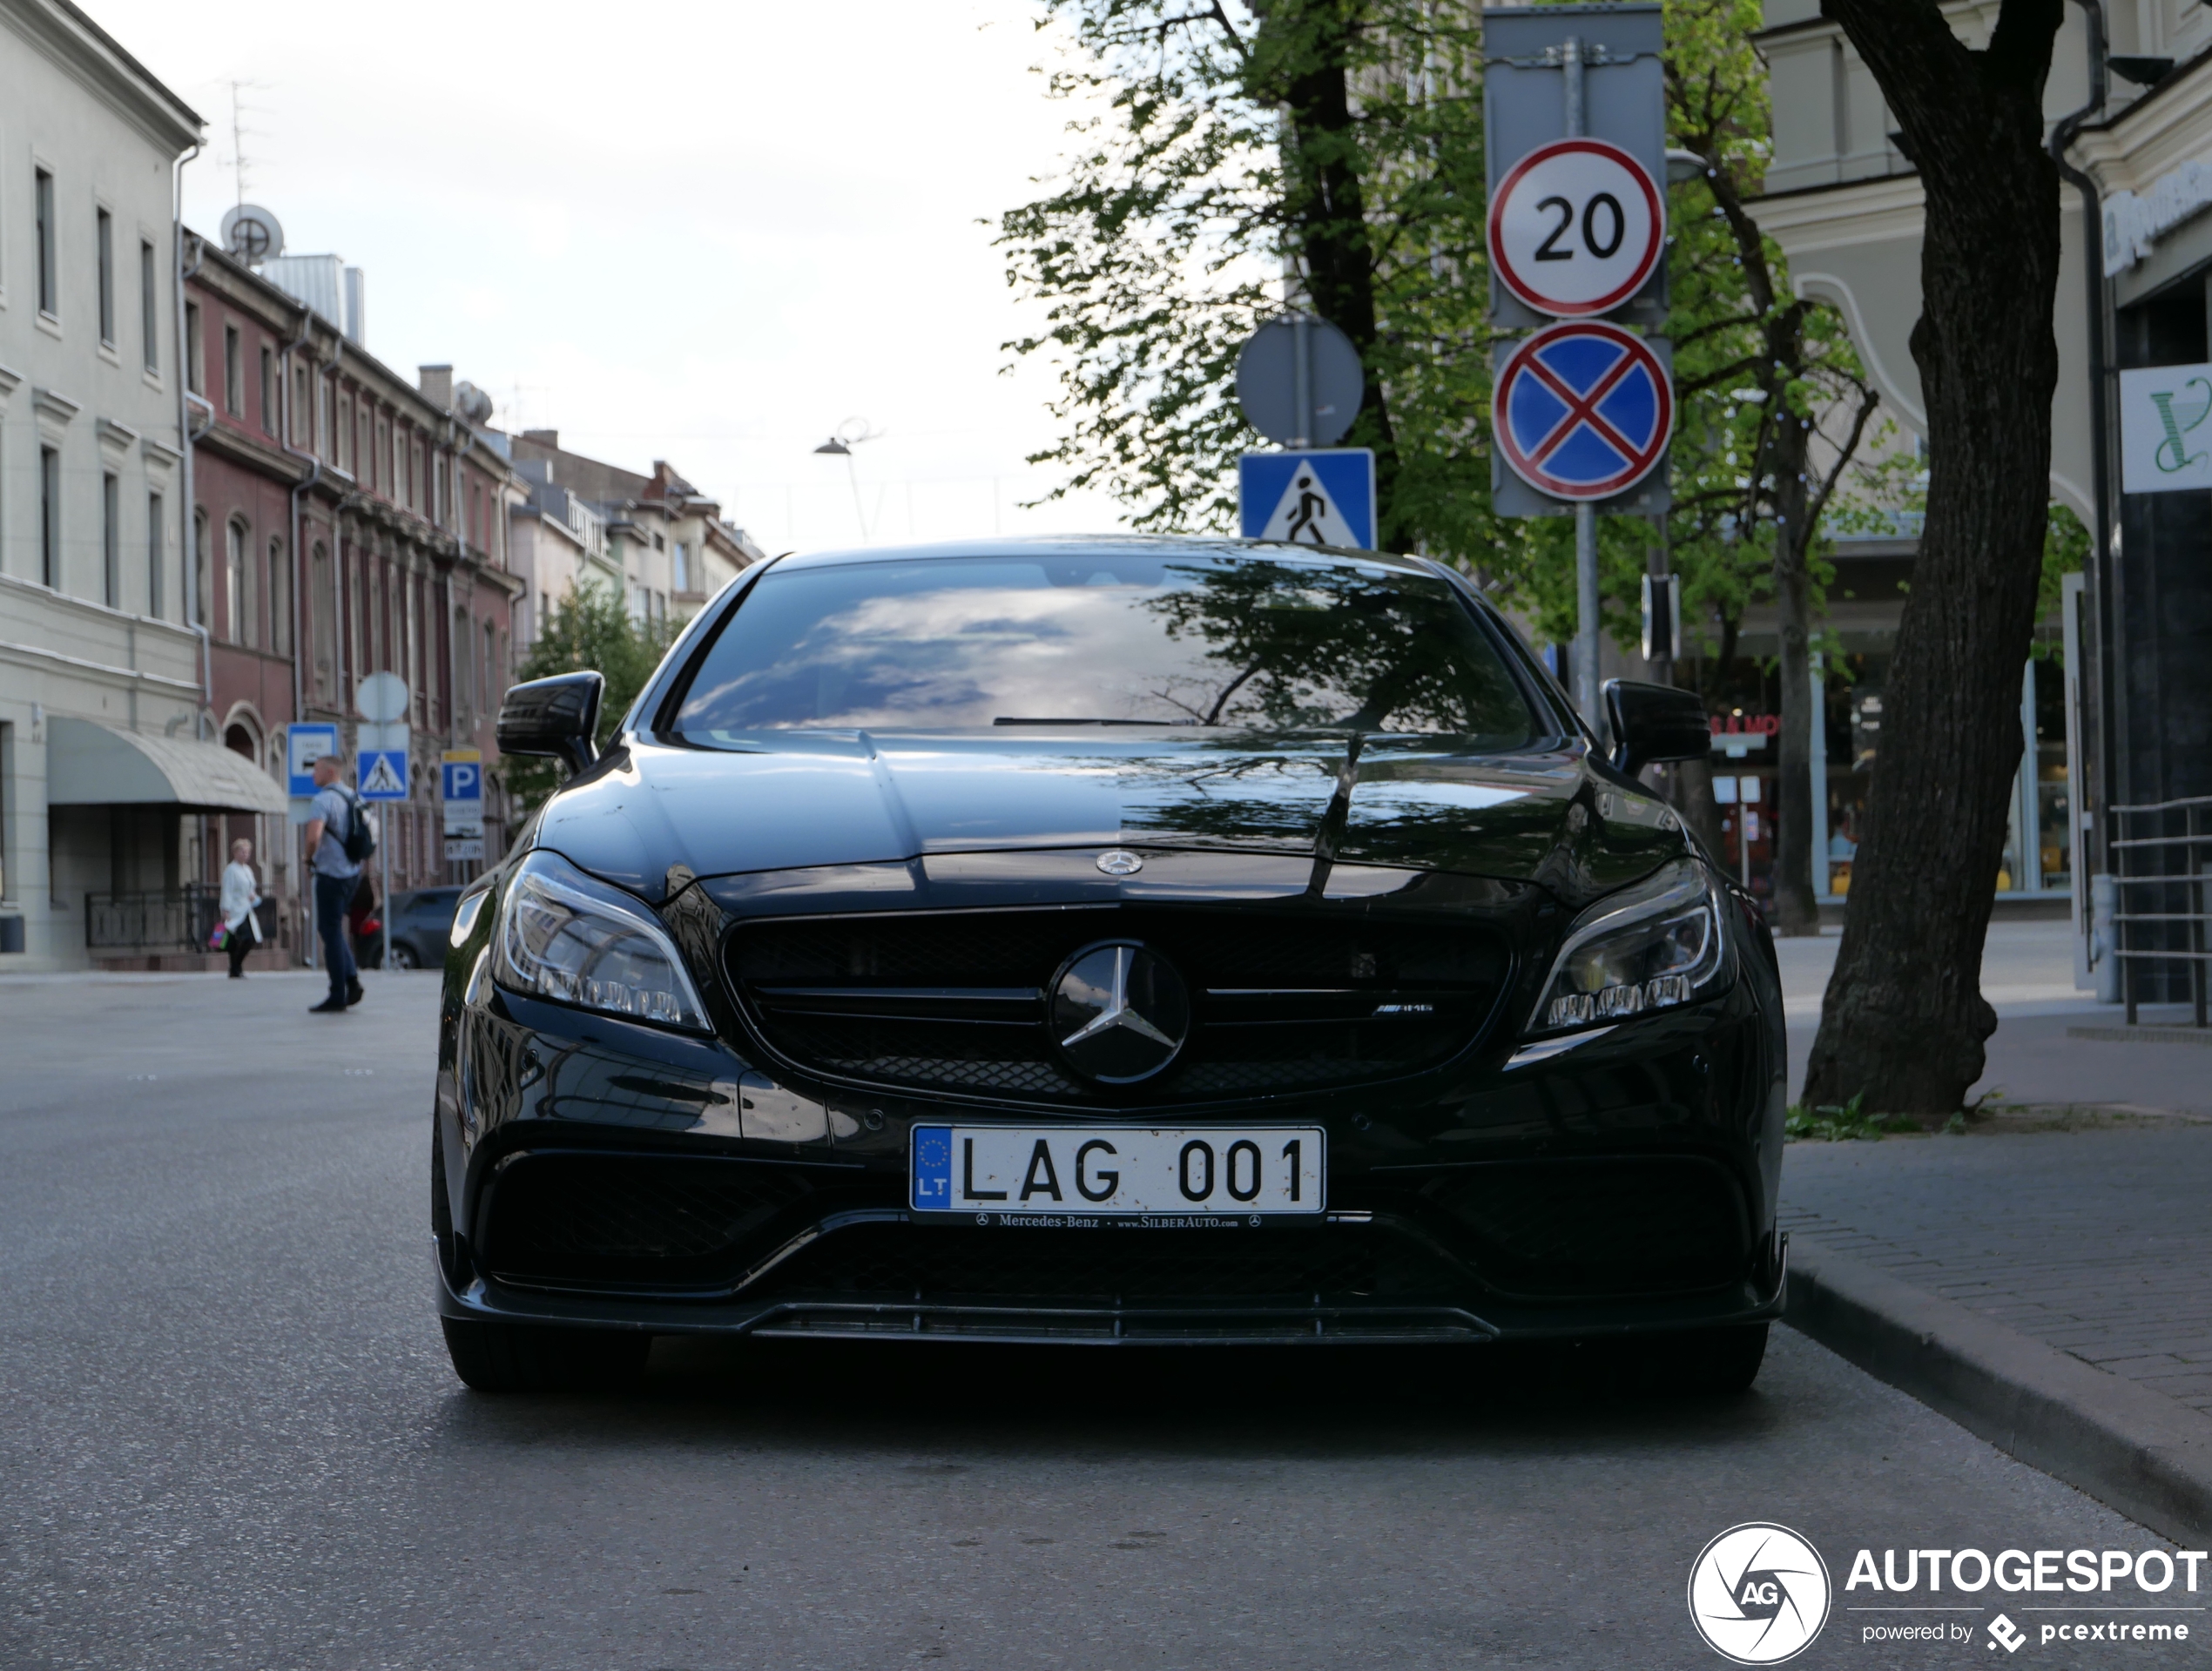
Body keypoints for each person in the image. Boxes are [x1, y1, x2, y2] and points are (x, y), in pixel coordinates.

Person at [301, 754, 364, 1014]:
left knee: (329, 931)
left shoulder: (323, 800)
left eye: (316, 770)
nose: (313, 775)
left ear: (329, 771)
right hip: (352, 873)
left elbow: (314, 836)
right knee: (335, 930)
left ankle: (338, 993)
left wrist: (308, 858)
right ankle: (351, 980)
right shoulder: (356, 798)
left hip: (331, 874)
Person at [219, 838, 263, 979]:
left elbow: (251, 888)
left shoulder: (248, 870)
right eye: (242, 851)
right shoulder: (231, 870)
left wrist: (253, 897)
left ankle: (235, 968)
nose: (245, 854)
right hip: (235, 910)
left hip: (247, 909)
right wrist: (225, 909)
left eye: (247, 852)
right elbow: (227, 890)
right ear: (235, 852)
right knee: (244, 938)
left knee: (248, 939)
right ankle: (235, 967)